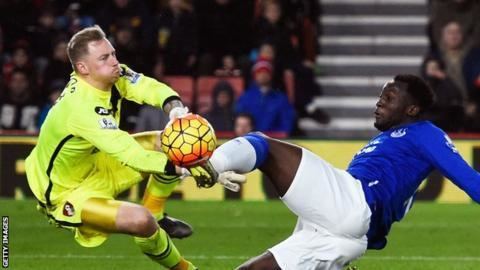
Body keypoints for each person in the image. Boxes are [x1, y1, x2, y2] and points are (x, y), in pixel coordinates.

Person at [207, 74, 480, 269]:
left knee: (262, 145)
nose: (379, 103)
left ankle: (207, 164)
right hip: (337, 233)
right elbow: (384, 212)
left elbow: (469, 179)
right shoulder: (386, 142)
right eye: (380, 97)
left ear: (412, 109)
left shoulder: (425, 133)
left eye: (389, 98)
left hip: (350, 205)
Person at [24, 25, 223, 270]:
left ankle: (157, 215)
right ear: (83, 68)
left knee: (167, 141)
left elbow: (147, 86)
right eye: (104, 58)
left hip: (96, 163)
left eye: (113, 54)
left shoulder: (112, 75)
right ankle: (185, 268)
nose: (115, 62)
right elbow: (128, 152)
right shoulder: (80, 108)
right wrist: (183, 168)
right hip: (66, 191)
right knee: (141, 221)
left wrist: (175, 108)